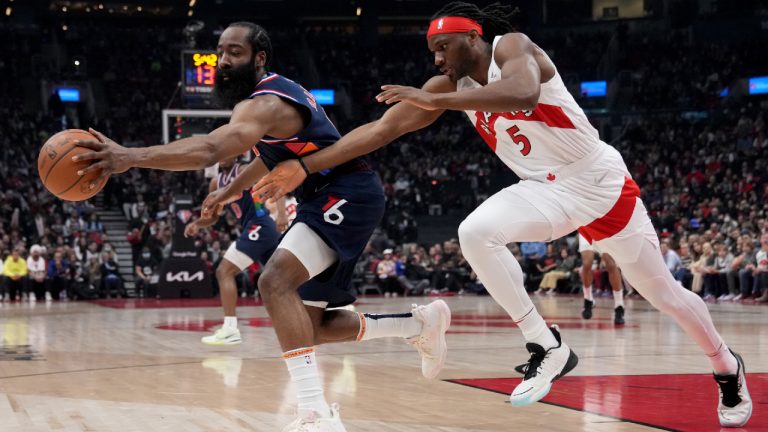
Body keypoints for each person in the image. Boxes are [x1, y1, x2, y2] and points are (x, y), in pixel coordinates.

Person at [247, 3, 751, 426]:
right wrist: (304, 165)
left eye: (444, 47)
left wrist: (436, 97)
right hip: (544, 190)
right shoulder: (446, 87)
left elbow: (523, 92)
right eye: (432, 54)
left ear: (473, 35)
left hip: (597, 183)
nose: (438, 59)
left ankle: (726, 366)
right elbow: (378, 132)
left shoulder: (512, 46)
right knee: (475, 231)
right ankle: (545, 344)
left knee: (666, 295)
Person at [74, 22, 450, 431]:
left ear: (260, 58)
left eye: (234, 52)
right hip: (329, 196)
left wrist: (130, 156)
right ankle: (420, 323)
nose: (223, 61)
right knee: (310, 328)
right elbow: (267, 154)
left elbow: (210, 148)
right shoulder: (270, 98)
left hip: (347, 191)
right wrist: (230, 191)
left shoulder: (265, 102)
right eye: (220, 52)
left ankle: (315, 413)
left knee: (273, 282)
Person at [186, 155, 283, 346]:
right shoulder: (215, 182)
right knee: (281, 281)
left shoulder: (243, 170)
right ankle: (320, 310)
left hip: (260, 224)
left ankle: (230, 329)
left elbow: (275, 182)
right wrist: (197, 223)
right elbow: (213, 217)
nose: (223, 156)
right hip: (256, 228)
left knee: (224, 271)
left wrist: (282, 214)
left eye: (229, 151)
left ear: (237, 154)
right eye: (222, 152)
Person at [578, 234, 624, 324]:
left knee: (610, 264)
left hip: (604, 225)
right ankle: (588, 299)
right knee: (587, 263)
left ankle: (619, 305)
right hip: (585, 224)